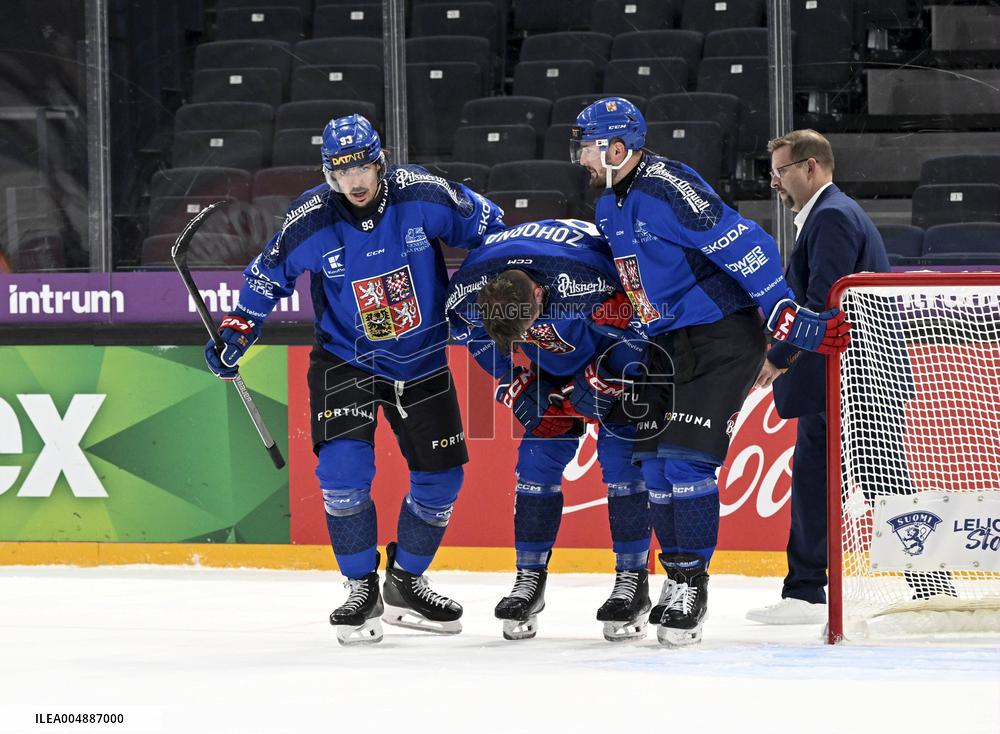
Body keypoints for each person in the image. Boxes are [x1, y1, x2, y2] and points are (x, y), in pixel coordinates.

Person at [204, 114, 504, 645]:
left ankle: (406, 584)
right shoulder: (310, 219)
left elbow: (494, 231)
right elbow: (264, 275)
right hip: (348, 360)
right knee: (343, 474)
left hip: (424, 357)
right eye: (343, 172)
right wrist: (237, 328)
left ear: (380, 161)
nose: (356, 181)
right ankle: (360, 586)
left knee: (442, 481)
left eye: (364, 166)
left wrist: (482, 293)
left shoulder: (424, 196)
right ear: (329, 174)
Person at [570, 98, 851, 647]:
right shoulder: (608, 204)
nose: (579, 157)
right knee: (652, 470)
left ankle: (691, 587)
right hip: (665, 343)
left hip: (721, 335)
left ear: (617, 147)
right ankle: (673, 578)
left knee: (685, 467)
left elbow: (747, 242)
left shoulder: (667, 186)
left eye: (586, 145)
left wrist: (783, 312)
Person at [745, 129, 952, 624]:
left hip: (855, 377)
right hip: (847, 375)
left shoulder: (833, 216)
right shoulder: (828, 214)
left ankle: (911, 584)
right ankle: (813, 588)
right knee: (836, 479)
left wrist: (778, 356)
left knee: (878, 482)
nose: (775, 181)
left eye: (782, 170)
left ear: (810, 167)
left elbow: (822, 303)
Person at [447, 219, 653, 642]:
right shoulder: (468, 289)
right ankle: (529, 579)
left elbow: (642, 330)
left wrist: (607, 378)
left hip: (607, 354)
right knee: (535, 463)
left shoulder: (585, 282)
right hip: (550, 370)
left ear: (540, 295)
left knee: (620, 462)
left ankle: (633, 581)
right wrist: (511, 382)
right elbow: (478, 339)